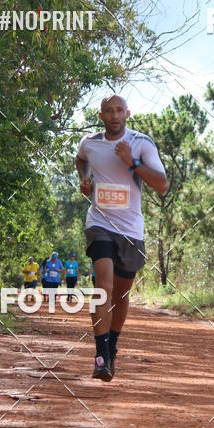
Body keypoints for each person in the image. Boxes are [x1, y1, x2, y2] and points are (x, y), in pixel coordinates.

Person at [75, 94, 167, 381]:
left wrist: (131, 161)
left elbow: (162, 184)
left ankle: (112, 347)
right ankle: (101, 356)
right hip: (99, 223)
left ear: (127, 113)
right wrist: (85, 179)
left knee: (121, 293)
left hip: (130, 229)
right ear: (100, 115)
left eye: (119, 111)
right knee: (103, 284)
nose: (114, 115)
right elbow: (80, 160)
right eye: (108, 111)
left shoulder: (142, 143)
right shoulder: (90, 143)